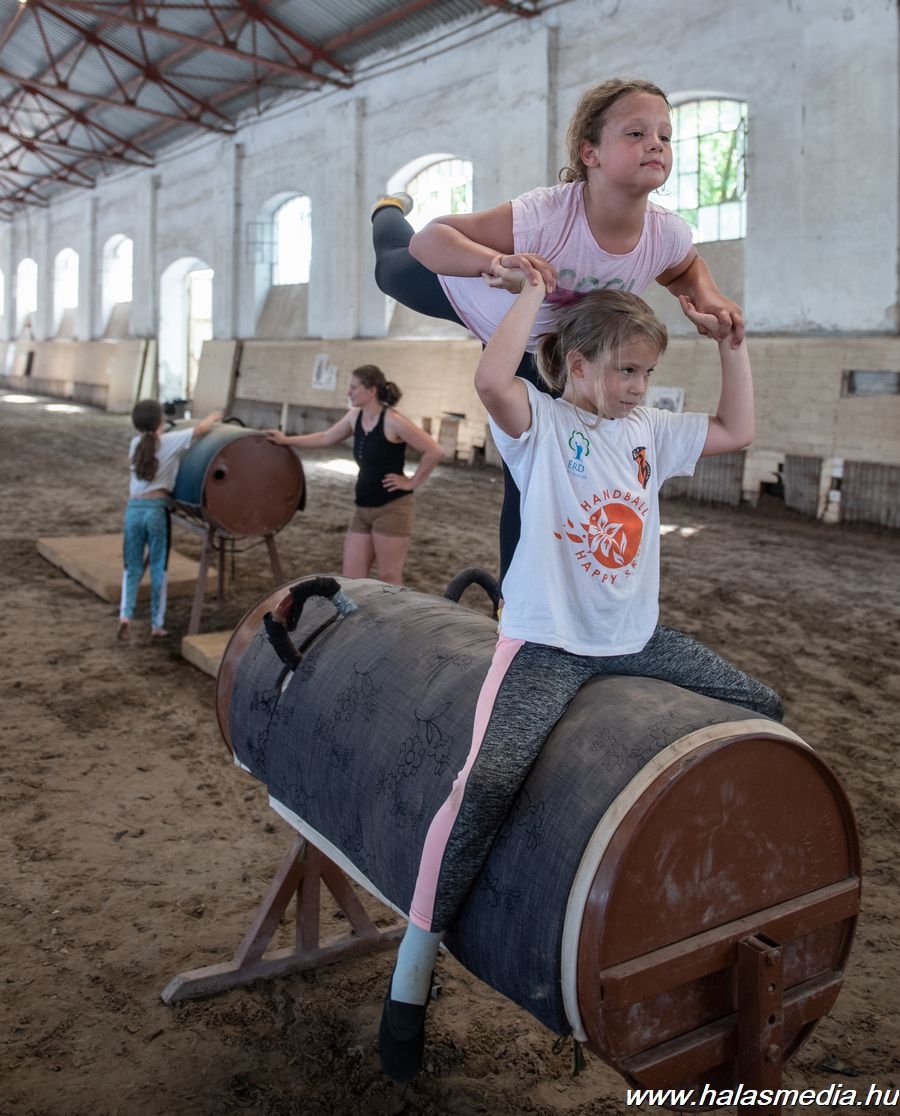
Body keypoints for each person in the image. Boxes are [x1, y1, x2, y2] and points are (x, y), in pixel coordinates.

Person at [377, 272, 783, 1085]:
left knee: (761, 705)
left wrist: (733, 349)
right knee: (487, 782)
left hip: (633, 639)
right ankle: (410, 977)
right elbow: (492, 379)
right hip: (547, 643)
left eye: (646, 372)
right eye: (627, 370)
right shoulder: (542, 424)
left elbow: (739, 429)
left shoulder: (648, 431)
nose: (639, 387)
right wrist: (530, 292)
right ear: (579, 365)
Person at [371, 77, 744, 581]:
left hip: (540, 348)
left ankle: (511, 599)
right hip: (469, 295)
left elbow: (685, 268)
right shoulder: (546, 217)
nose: (656, 144)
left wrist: (709, 293)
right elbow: (431, 241)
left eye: (665, 135)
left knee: (530, 474)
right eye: (636, 134)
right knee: (389, 267)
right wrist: (495, 262)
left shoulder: (666, 233)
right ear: (590, 152)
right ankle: (387, 210)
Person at [266, 365, 443, 585]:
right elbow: (325, 437)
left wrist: (411, 482)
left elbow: (434, 451)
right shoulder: (354, 416)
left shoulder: (393, 420)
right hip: (363, 507)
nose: (348, 392)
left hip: (393, 508)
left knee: (388, 577)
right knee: (351, 578)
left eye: (353, 387)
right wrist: (285, 440)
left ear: (372, 391)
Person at [118, 400, 222, 640]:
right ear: (160, 421)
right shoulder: (170, 440)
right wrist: (214, 416)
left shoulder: (134, 444)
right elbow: (201, 430)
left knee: (131, 567)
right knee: (158, 567)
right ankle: (157, 624)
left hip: (133, 509)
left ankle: (125, 616)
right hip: (156, 510)